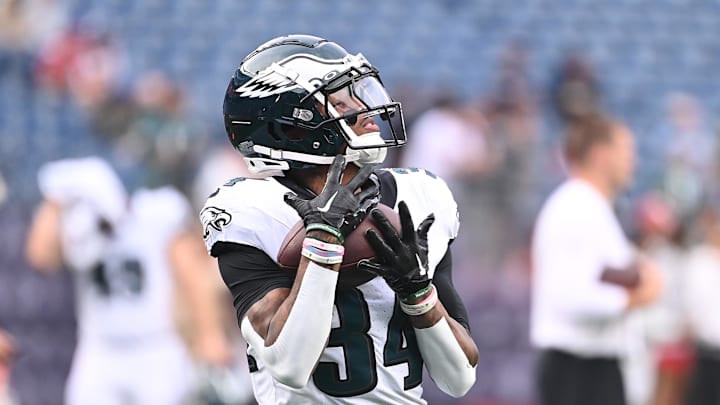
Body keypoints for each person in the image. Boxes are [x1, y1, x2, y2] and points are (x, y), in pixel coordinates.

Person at [200, 34, 478, 404]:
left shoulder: (420, 196)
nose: (365, 110)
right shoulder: (252, 209)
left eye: (361, 92)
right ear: (292, 125)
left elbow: (458, 378)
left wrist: (417, 291)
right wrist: (322, 242)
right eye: (343, 100)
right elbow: (289, 365)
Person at [25, 156, 232, 405]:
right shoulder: (81, 213)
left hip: (155, 346)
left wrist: (210, 334)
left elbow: (191, 273)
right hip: (100, 347)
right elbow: (40, 256)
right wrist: (57, 197)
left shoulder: (157, 209)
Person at [530, 115, 663, 405]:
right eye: (627, 151)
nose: (634, 162)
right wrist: (640, 296)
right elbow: (572, 296)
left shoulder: (593, 208)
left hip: (594, 367)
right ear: (602, 154)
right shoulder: (575, 207)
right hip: (578, 370)